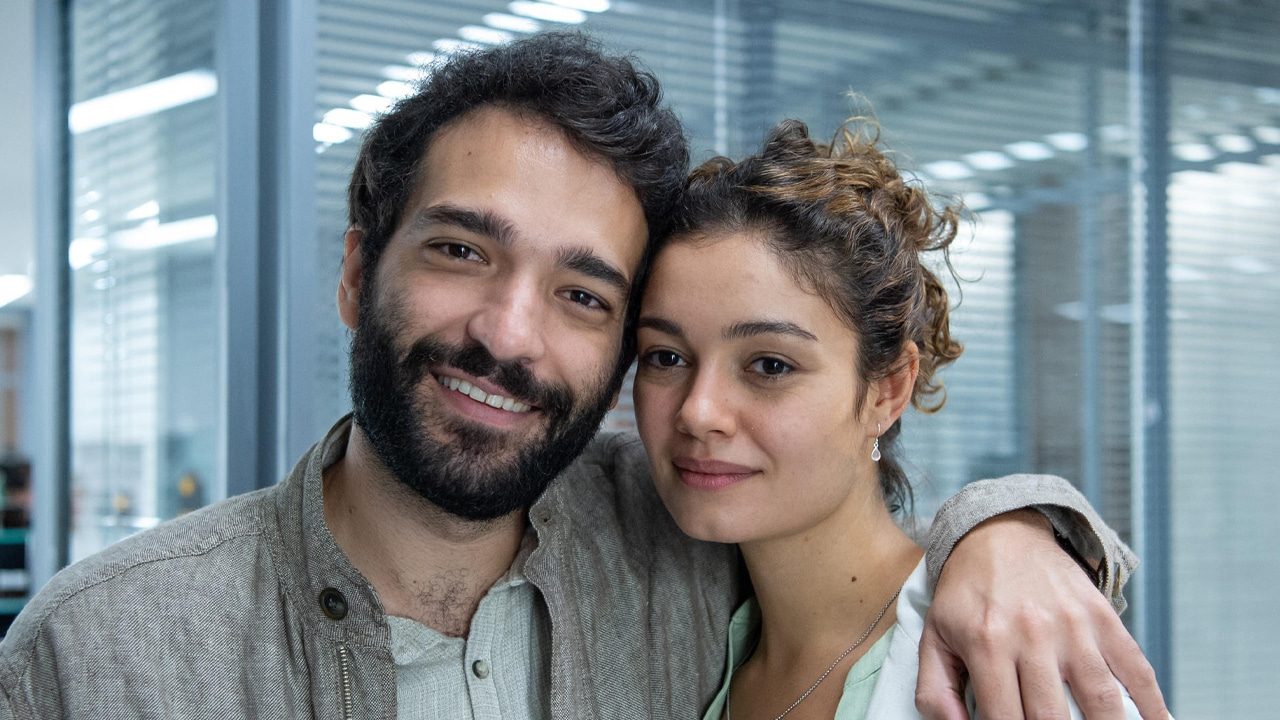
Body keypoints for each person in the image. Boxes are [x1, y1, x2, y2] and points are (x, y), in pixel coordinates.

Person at [0, 33, 1164, 719]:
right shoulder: (104, 653)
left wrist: (1004, 530)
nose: (508, 336)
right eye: (461, 250)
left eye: (581, 295)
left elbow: (859, 547)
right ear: (359, 271)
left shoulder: (675, 544)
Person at [632, 118, 1155, 719]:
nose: (698, 413)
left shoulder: (1003, 658)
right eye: (666, 357)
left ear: (887, 389)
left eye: (770, 365)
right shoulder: (710, 648)